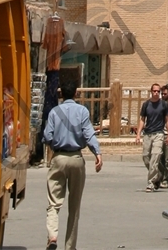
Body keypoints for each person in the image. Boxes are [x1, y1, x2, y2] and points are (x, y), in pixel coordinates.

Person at [42, 82, 103, 250]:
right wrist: (97, 153)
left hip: (59, 158)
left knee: (53, 203)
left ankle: (53, 236)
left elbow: (47, 135)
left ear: (61, 94)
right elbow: (88, 134)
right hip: (76, 158)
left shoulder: (55, 111)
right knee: (74, 207)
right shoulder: (82, 111)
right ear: (76, 93)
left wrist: (54, 145)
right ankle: (70, 247)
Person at [136, 84, 168, 191]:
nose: (156, 93)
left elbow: (167, 120)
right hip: (148, 134)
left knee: (155, 157)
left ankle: (150, 183)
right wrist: (138, 134)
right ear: (151, 91)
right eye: (154, 91)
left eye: (158, 91)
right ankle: (158, 175)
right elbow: (142, 119)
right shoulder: (146, 104)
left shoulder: (163, 104)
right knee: (146, 157)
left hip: (159, 134)